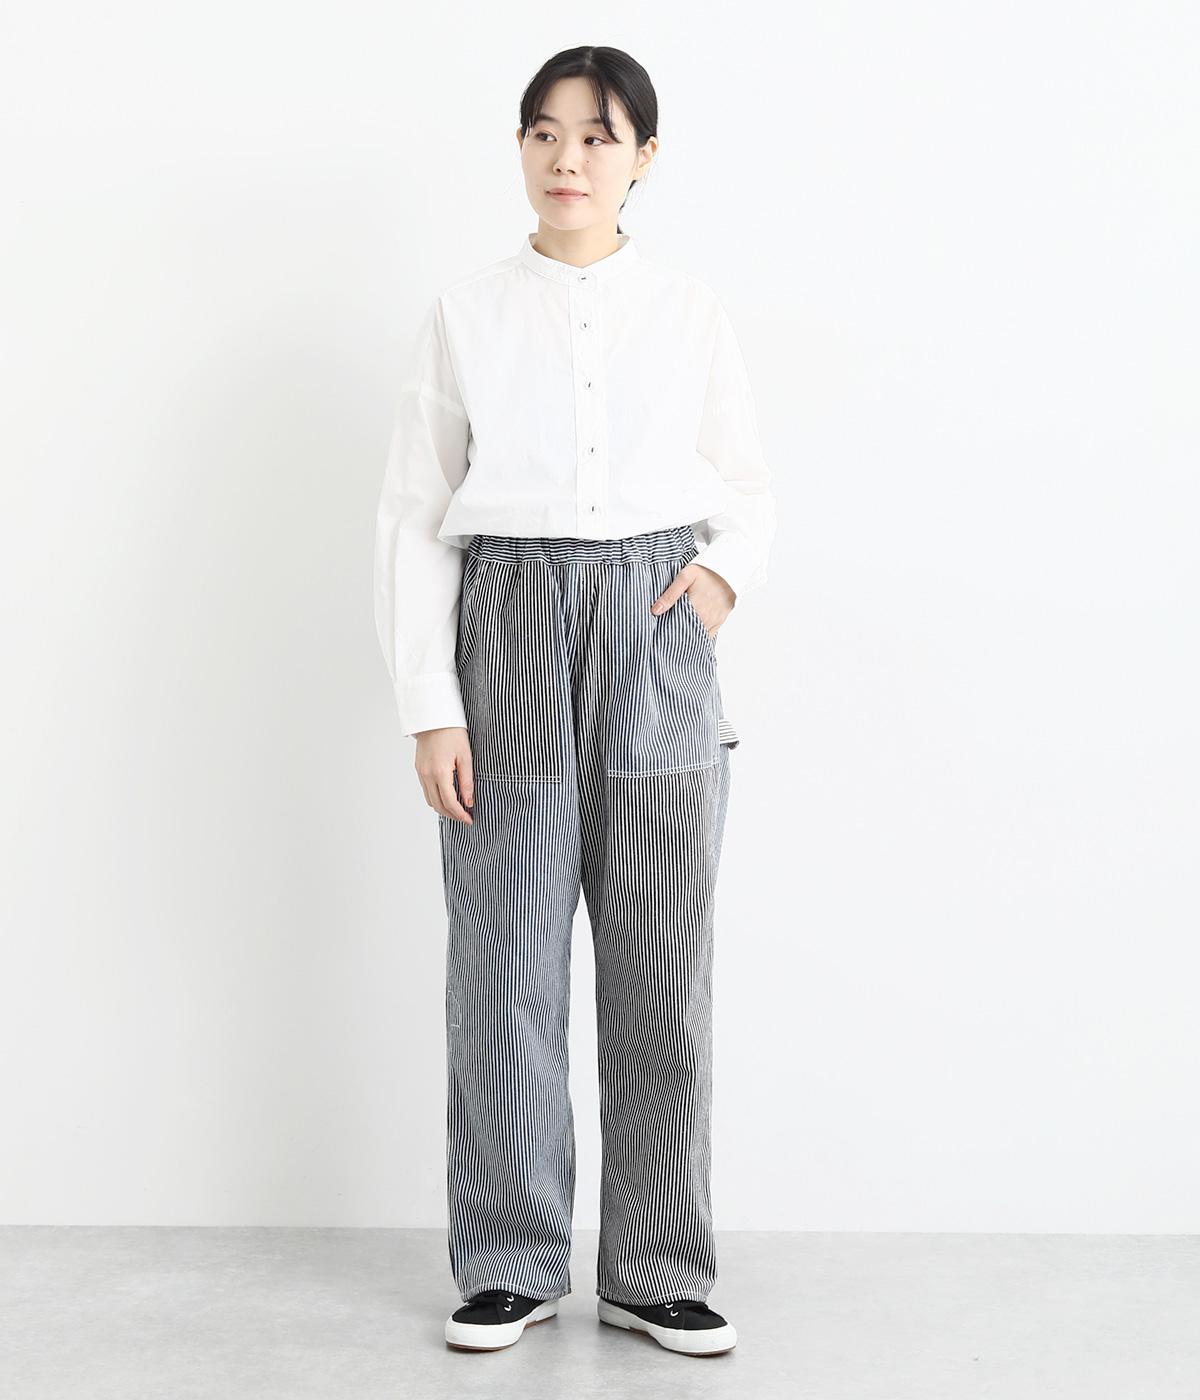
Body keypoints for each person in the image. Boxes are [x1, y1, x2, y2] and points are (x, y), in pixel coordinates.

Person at [373, 45, 776, 1359]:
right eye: (544, 133)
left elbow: (746, 487)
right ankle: (510, 1260)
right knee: (503, 968)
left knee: (662, 967)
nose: (568, 160)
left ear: (643, 157)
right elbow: (414, 512)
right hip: (507, 634)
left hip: (654, 636)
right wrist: (432, 703)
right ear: (519, 147)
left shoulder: (690, 312)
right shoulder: (466, 313)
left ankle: (658, 1267)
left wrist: (715, 581)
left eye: (598, 137)